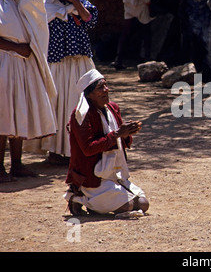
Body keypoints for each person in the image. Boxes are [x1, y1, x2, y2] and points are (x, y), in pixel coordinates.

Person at [0, 0, 57, 183]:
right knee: (4, 116)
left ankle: (17, 165)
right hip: (5, 63)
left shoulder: (25, 0)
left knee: (18, 113)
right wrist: (16, 48)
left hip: (24, 64)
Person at [63, 69, 149, 216]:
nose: (106, 90)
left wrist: (127, 133)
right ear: (89, 95)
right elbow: (88, 149)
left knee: (143, 204)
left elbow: (122, 142)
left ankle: (95, 203)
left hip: (113, 173)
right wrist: (117, 134)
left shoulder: (112, 108)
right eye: (100, 87)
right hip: (92, 176)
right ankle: (80, 198)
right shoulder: (81, 115)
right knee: (128, 205)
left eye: (106, 85)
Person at [41, 0, 98, 164]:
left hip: (80, 62)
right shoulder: (46, 8)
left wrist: (75, 1)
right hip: (58, 63)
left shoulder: (80, 4)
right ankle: (56, 151)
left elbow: (90, 20)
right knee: (59, 105)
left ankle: (80, 149)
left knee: (78, 102)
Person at [112, 0, 163, 70]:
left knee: (126, 31)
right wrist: (148, 2)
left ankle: (118, 59)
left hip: (128, 2)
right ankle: (147, 59)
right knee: (146, 29)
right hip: (140, 3)